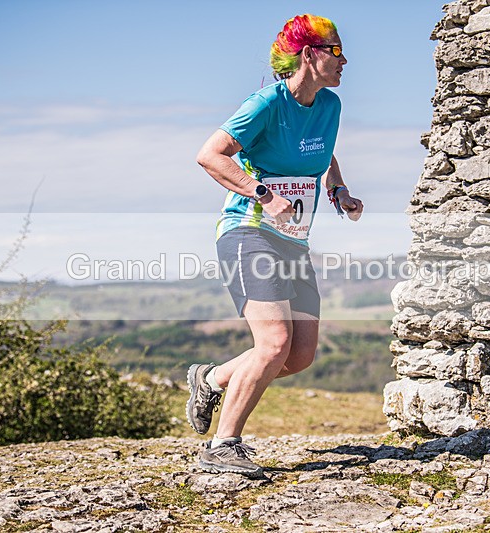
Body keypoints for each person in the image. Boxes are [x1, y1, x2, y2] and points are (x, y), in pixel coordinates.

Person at [186, 13, 363, 477]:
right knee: (274, 342)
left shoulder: (329, 105)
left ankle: (210, 378)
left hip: (293, 241)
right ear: (309, 55)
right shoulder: (266, 103)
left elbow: (321, 151)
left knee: (298, 355)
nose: (345, 60)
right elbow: (210, 155)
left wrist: (339, 189)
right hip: (249, 232)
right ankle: (223, 447)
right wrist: (263, 194)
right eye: (336, 50)